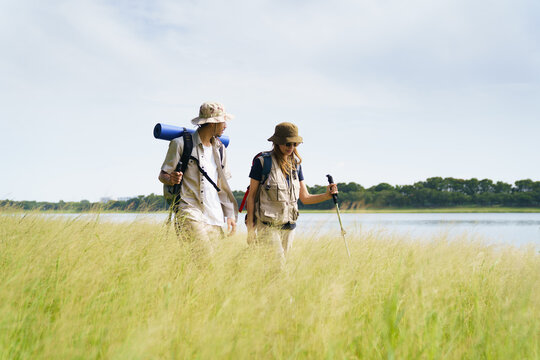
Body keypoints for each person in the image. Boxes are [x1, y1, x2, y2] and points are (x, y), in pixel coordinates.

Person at [245, 122, 338, 261]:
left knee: (282, 268)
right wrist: (250, 231)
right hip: (267, 226)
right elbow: (251, 197)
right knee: (278, 266)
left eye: (295, 144)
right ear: (277, 142)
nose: (291, 147)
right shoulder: (262, 163)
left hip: (289, 228)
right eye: (288, 144)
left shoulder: (296, 166)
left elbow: (305, 198)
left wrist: (327, 196)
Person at [158, 102, 238, 257]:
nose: (225, 125)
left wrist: (230, 215)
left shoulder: (221, 149)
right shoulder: (180, 144)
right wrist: (171, 178)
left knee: (206, 267)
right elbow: (162, 175)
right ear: (212, 123)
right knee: (205, 260)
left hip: (214, 216)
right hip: (189, 212)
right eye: (223, 121)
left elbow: (222, 186)